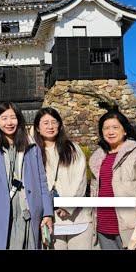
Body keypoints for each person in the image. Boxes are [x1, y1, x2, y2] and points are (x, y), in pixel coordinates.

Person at [0, 102, 54, 249]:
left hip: (27, 214)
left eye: (13, 117)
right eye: (4, 118)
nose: (9, 122)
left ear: (19, 120)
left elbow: (42, 182)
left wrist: (47, 212)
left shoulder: (32, 148)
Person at [89, 109, 136, 250]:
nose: (110, 132)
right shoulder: (97, 158)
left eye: (115, 127)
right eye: (106, 128)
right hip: (103, 227)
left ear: (124, 130)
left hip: (132, 225)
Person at [33, 107, 93, 250]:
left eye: (54, 122)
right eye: (45, 123)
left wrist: (68, 205)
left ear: (60, 125)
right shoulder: (33, 151)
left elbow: (80, 179)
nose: (50, 126)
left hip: (77, 218)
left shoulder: (72, 148)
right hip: (49, 220)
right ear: (37, 127)